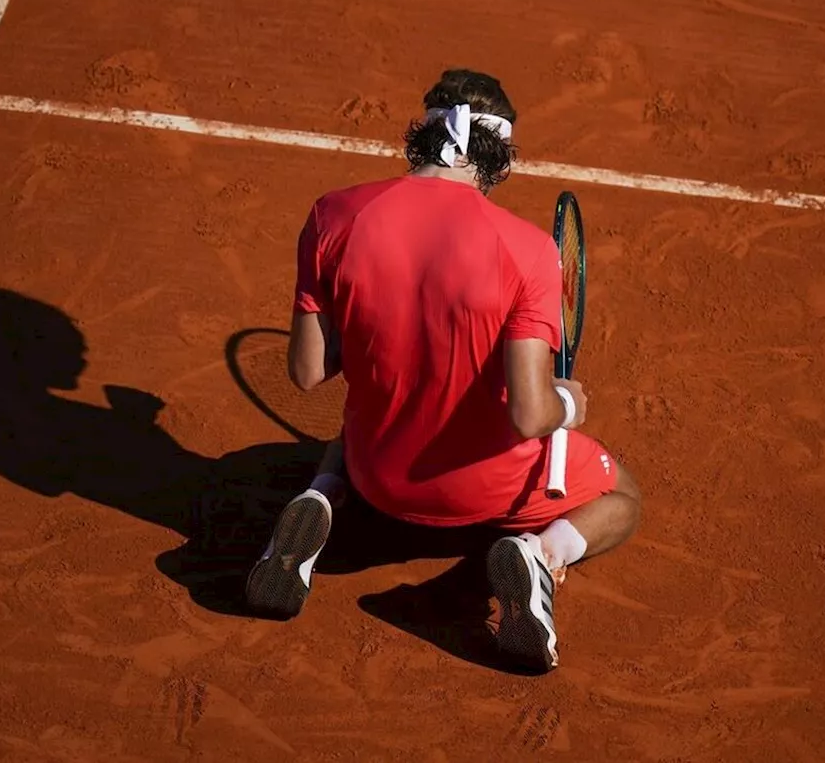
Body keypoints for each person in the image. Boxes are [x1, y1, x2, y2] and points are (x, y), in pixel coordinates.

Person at [244, 69, 640, 671]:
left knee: (353, 429)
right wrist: (567, 403)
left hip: (379, 475)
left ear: (422, 137)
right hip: (488, 492)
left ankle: (321, 499)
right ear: (498, 155)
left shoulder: (333, 215)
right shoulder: (528, 248)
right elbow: (530, 413)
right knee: (622, 495)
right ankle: (541, 555)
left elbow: (307, 371)